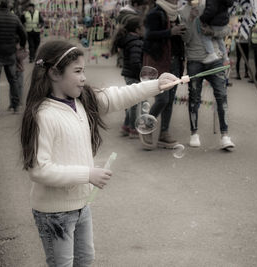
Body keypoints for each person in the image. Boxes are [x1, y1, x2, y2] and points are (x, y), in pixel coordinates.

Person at [20, 40, 178, 266]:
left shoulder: (83, 100)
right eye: (77, 71)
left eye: (83, 70)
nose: (84, 77)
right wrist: (87, 174)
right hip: (54, 213)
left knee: (85, 260)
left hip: (81, 205)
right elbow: (38, 169)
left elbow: (119, 96)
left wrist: (157, 85)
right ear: (54, 73)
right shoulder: (42, 115)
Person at [181, 2, 234, 150]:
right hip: (195, 59)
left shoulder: (211, 5)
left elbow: (227, 30)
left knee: (221, 95)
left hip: (215, 59)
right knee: (194, 96)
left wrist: (213, 33)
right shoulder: (183, 12)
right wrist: (190, 20)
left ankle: (225, 136)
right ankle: (194, 133)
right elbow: (185, 39)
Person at [142, 0, 185, 149]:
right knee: (162, 98)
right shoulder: (155, 13)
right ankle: (146, 127)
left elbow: (177, 39)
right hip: (159, 61)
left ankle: (164, 134)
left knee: (170, 98)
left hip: (175, 61)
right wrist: (170, 32)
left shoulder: (176, 14)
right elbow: (148, 35)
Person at [0, 0, 27, 116]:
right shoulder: (14, 18)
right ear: (9, 6)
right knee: (13, 80)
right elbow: (23, 34)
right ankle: (16, 107)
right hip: (10, 54)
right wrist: (21, 45)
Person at [111, 17, 144, 138]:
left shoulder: (129, 39)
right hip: (134, 75)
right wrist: (142, 74)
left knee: (132, 101)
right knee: (134, 103)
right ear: (137, 29)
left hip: (128, 74)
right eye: (143, 27)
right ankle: (133, 129)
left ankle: (126, 127)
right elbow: (135, 62)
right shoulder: (136, 42)